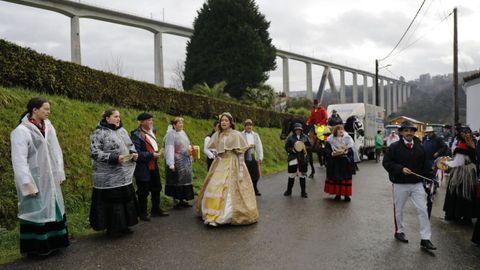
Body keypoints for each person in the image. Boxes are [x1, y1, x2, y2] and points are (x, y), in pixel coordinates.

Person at [11, 97, 69, 256]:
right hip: (35, 178)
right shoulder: (21, 131)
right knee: (37, 212)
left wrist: (60, 172)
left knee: (53, 209)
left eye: (49, 109)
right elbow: (19, 160)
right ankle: (38, 249)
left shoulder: (49, 127)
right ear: (34, 110)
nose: (48, 112)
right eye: (45, 109)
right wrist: (27, 184)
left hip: (50, 178)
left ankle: (55, 244)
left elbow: (56, 151)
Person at [196, 112, 259, 226]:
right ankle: (212, 216)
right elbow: (214, 149)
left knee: (228, 188)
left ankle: (223, 217)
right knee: (215, 187)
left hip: (232, 163)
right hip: (220, 163)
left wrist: (240, 171)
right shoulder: (217, 135)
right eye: (222, 121)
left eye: (226, 120)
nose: (223, 122)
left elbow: (240, 153)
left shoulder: (236, 134)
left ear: (230, 123)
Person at [382, 121, 436, 250]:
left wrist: (431, 176)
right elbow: (387, 163)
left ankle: (425, 238)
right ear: (401, 133)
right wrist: (400, 169)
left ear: (414, 132)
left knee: (422, 210)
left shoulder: (420, 147)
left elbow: (425, 165)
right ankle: (399, 231)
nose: (409, 133)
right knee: (399, 209)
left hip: (417, 184)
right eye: (406, 130)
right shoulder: (394, 147)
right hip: (400, 183)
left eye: (411, 130)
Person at [89, 108, 139, 236]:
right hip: (108, 177)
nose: (118, 119)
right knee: (112, 202)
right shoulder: (99, 133)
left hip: (124, 175)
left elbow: (130, 145)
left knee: (125, 199)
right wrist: (113, 158)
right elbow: (94, 153)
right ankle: (113, 228)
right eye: (115, 116)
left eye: (119, 116)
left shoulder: (122, 130)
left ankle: (125, 225)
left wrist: (133, 153)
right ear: (107, 118)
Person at [131, 112, 169, 221]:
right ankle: (142, 213)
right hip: (143, 166)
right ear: (141, 122)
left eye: (151, 120)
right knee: (143, 190)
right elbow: (137, 153)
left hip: (153, 164)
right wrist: (151, 155)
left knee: (157, 187)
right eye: (148, 120)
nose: (151, 122)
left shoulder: (153, 131)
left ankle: (155, 209)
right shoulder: (136, 135)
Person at [442, 127, 478, 224]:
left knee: (456, 192)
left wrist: (446, 163)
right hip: (471, 172)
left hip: (462, 173)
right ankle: (467, 216)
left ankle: (455, 215)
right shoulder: (473, 145)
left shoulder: (461, 147)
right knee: (468, 193)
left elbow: (458, 163)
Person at [163, 117, 195, 209]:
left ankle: (183, 200)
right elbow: (169, 148)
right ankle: (176, 201)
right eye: (179, 123)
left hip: (185, 161)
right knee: (176, 181)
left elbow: (188, 144)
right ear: (174, 125)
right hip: (176, 161)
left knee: (185, 181)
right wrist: (171, 163)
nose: (181, 125)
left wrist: (191, 153)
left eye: (182, 123)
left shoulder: (183, 133)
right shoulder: (170, 135)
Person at [324, 125, 355, 201]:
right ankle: (338, 194)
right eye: (339, 129)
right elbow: (326, 151)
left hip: (345, 162)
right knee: (337, 178)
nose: (341, 131)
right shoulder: (330, 140)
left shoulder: (348, 139)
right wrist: (333, 153)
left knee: (345, 179)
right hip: (336, 162)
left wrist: (347, 151)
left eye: (342, 129)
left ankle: (346, 195)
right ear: (335, 131)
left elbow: (351, 151)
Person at [284, 123, 312, 198]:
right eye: (296, 129)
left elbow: (310, 146)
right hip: (293, 158)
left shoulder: (305, 137)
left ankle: (303, 192)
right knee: (292, 175)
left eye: (299, 129)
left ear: (301, 130)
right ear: (294, 130)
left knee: (302, 175)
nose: (298, 131)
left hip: (302, 158)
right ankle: (289, 190)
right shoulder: (290, 138)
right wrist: (292, 150)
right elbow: (286, 147)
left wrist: (304, 147)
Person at [241, 119, 264, 196]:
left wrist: (260, 157)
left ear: (252, 126)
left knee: (256, 174)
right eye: (247, 125)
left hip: (254, 156)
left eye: (250, 125)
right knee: (246, 174)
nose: (249, 126)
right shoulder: (241, 135)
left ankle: (255, 188)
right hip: (244, 157)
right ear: (245, 126)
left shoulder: (255, 135)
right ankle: (246, 190)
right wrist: (247, 147)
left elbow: (259, 146)